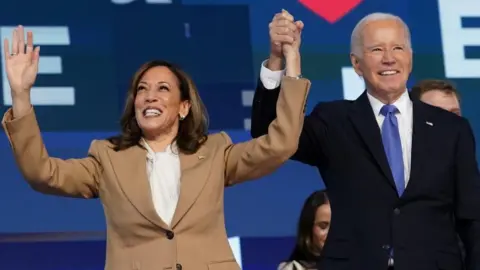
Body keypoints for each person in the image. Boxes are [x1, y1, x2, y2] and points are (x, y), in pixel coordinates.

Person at [2, 25, 311, 270]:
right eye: (142, 90)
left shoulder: (215, 152)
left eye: (163, 89)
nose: (150, 97)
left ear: (183, 107)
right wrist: (20, 95)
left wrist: (291, 62)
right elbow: (41, 172)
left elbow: (279, 144)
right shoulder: (106, 158)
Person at [251, 11, 480, 270]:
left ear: (410, 57)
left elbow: (472, 218)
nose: (389, 58)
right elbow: (268, 134)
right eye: (376, 49)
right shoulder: (333, 120)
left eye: (398, 48)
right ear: (357, 63)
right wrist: (277, 59)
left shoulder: (451, 128)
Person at [278, 190, 330, 270]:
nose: (331, 232)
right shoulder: (293, 268)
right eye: (323, 226)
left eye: (337, 226)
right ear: (308, 228)